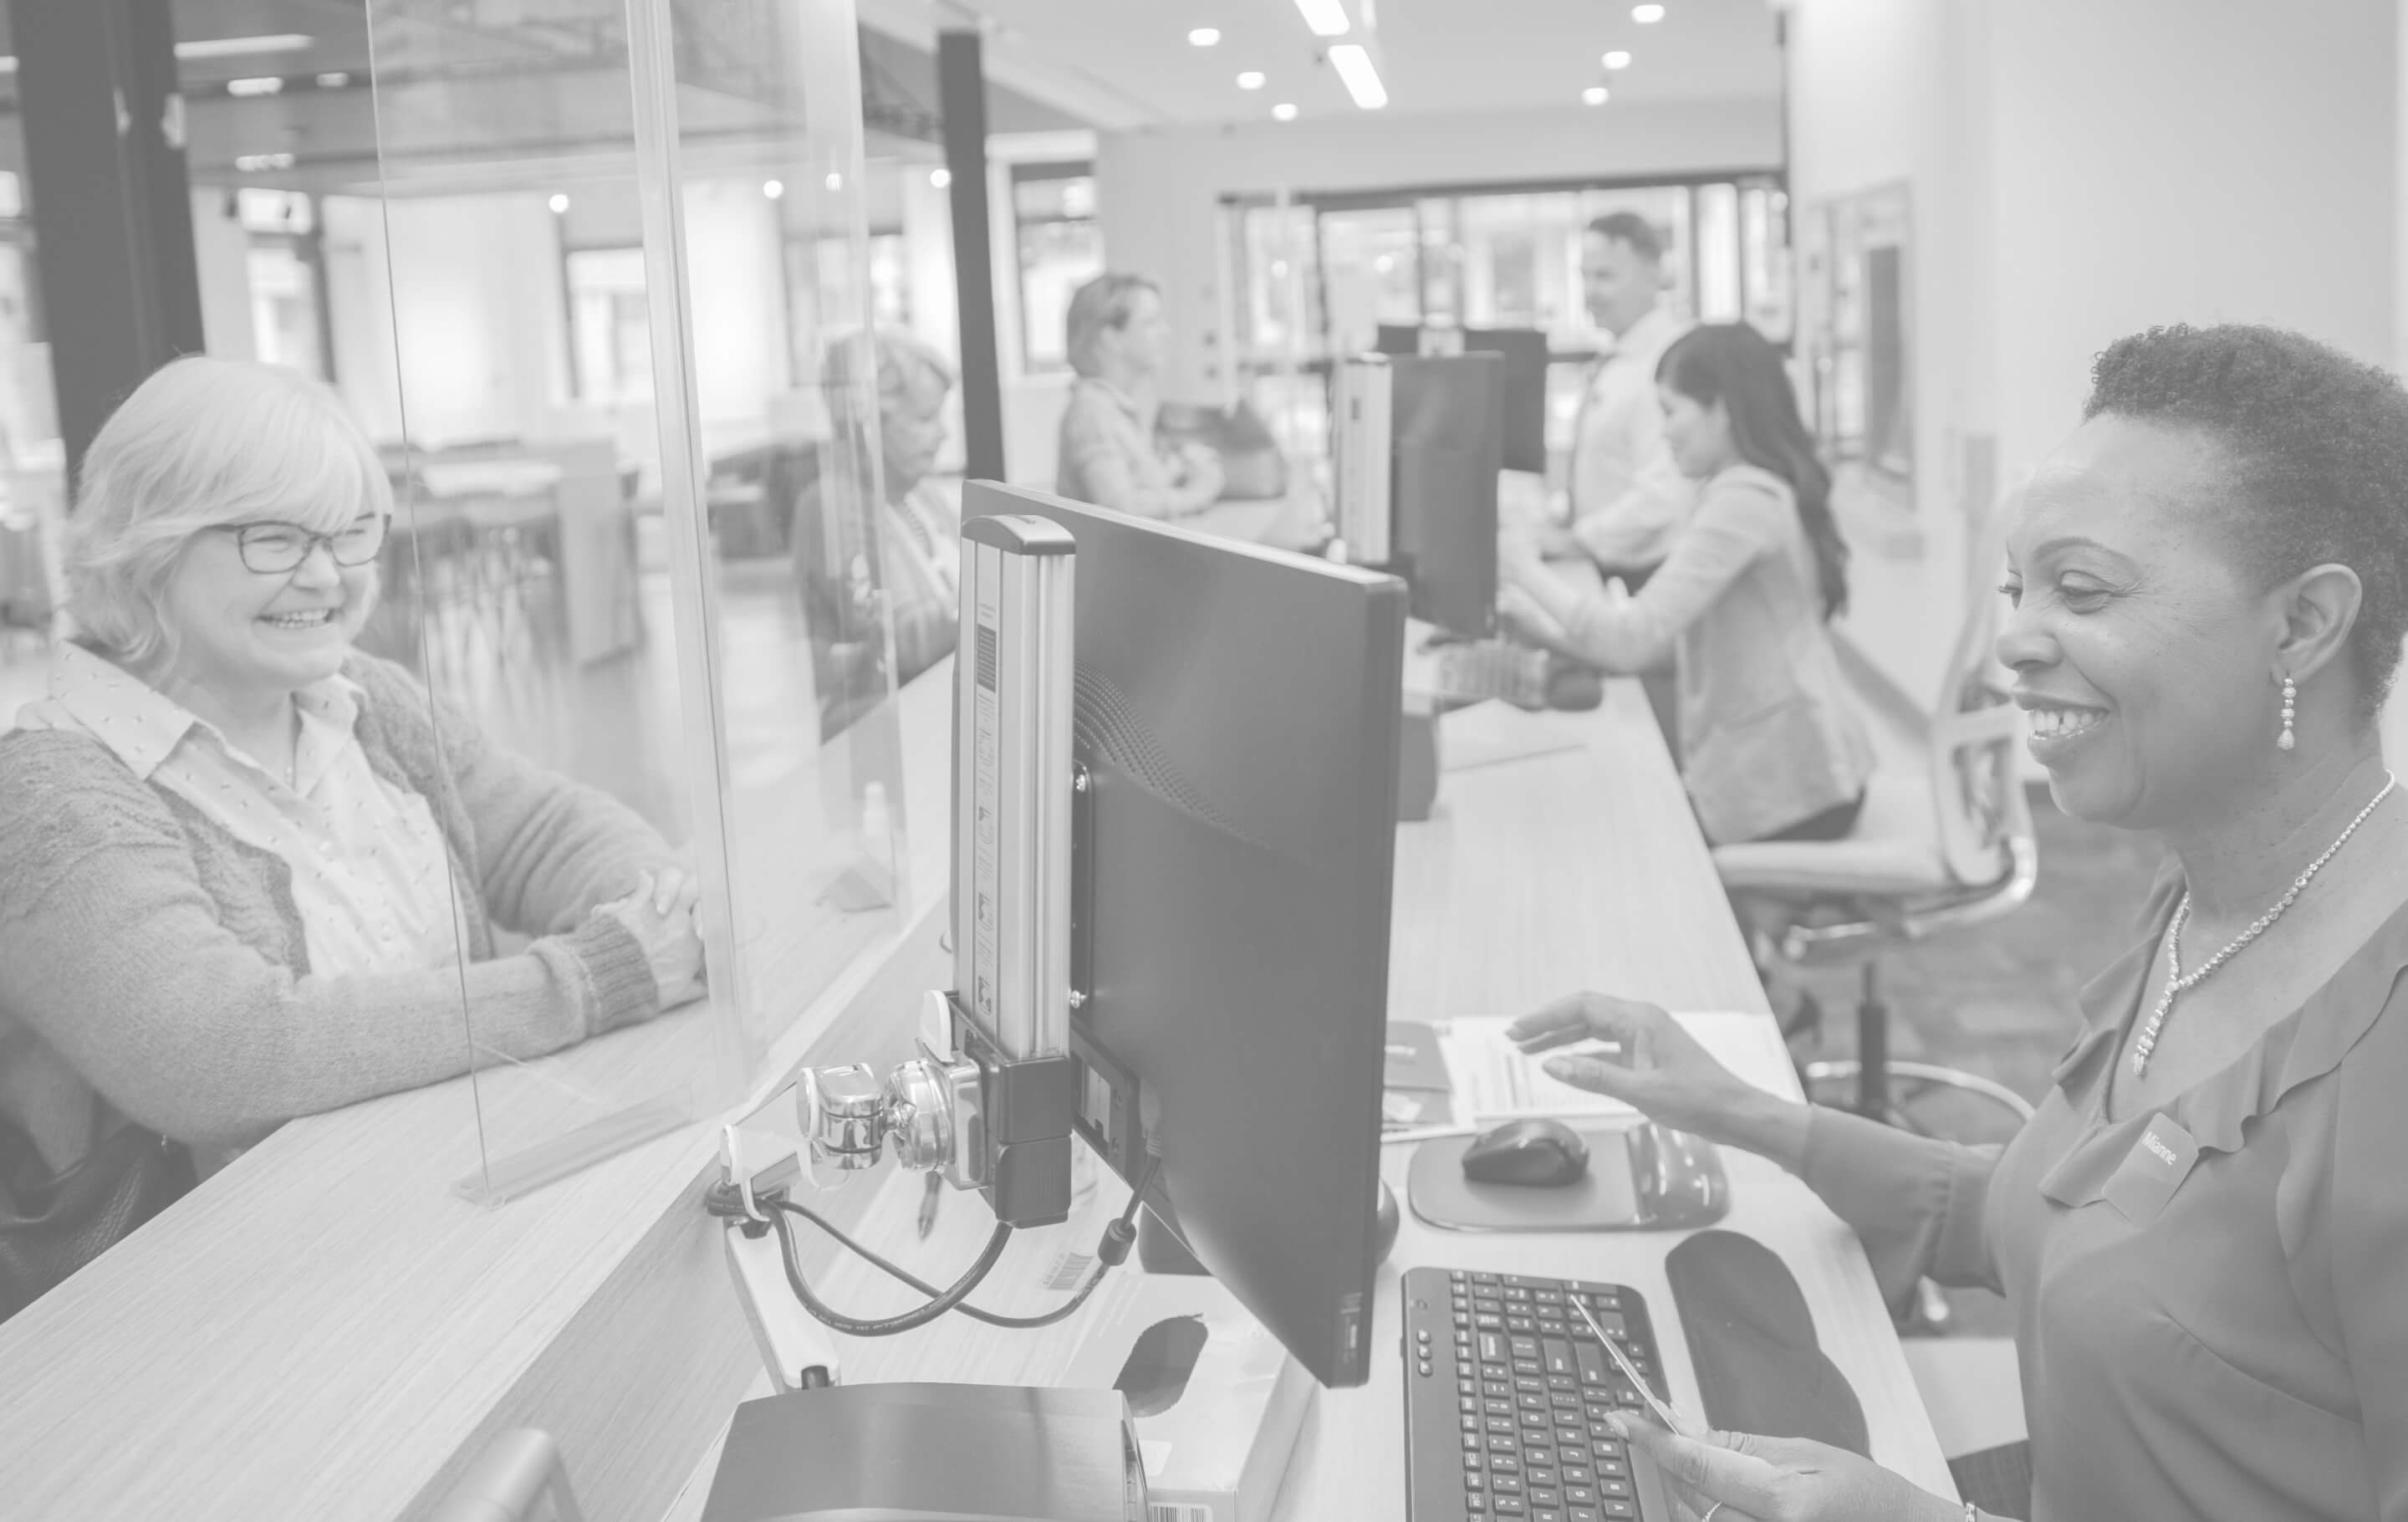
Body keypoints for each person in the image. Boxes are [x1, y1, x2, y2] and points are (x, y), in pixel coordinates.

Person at [1512, 324, 2408, 1522]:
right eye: (2015, 589)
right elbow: (2033, 1213)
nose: (2012, 645)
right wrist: (1744, 1111)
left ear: (2301, 627)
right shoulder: (2206, 900)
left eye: (2080, 590)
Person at [0, 357, 705, 1183]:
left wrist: (659, 904)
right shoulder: (50, 796)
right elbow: (215, 1050)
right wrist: (586, 980)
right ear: (146, 544)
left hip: (446, 1193)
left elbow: (543, 828)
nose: (328, 574)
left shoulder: (365, 698)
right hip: (245, 1281)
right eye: (275, 536)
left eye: (347, 532)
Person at [1499, 322, 1871, 845]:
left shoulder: (1744, 502)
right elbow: (1664, 649)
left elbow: (1633, 640)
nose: (1665, 432)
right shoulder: (1738, 491)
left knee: (1612, 826)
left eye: (1671, 412)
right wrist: (1542, 629)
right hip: (1804, 771)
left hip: (1798, 790)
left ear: (1722, 409)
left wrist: (1523, 569)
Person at [802, 326, 962, 692]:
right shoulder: (831, 507)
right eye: (925, 419)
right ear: (868, 427)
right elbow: (892, 641)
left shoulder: (922, 495)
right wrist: (987, 601)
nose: (943, 434)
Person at [1544, 210, 1695, 574]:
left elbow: (1660, 497)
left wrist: (1574, 540)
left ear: (1653, 275)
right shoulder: (1617, 355)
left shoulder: (1670, 363)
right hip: (1603, 560)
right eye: (1585, 277)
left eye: (1606, 276)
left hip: (1645, 572)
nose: (1590, 292)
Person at [1054, 273, 1226, 519]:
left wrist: (1182, 466)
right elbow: (1125, 511)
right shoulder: (1091, 413)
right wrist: (1196, 494)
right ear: (1111, 338)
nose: (1165, 332)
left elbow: (1142, 484)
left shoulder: (1116, 408)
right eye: (1151, 322)